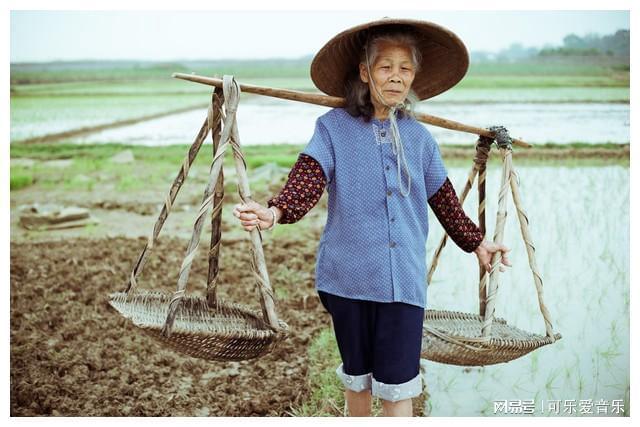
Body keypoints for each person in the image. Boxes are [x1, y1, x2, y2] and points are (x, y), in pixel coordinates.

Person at [233, 18, 511, 417]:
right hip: (347, 279)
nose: (397, 77)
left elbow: (444, 199)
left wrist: (478, 243)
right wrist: (275, 211)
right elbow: (308, 179)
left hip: (403, 285)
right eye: (386, 67)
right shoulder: (332, 129)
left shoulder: (419, 137)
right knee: (357, 382)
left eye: (405, 69)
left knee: (399, 390)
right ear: (365, 72)